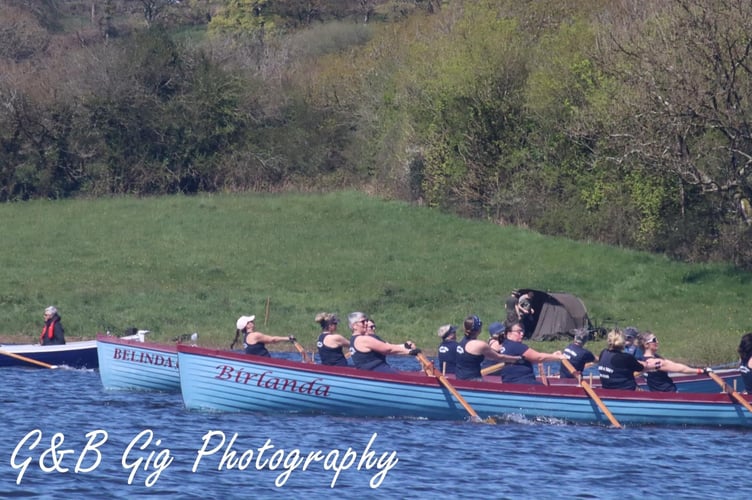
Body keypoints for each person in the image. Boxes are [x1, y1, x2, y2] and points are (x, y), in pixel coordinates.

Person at [455, 315, 522, 381]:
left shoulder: (460, 342)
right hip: (473, 380)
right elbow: (499, 357)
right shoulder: (480, 345)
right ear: (479, 329)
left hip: (459, 378)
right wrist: (517, 359)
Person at [639, 331, 710, 392]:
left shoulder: (644, 360)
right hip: (669, 394)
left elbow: (673, 364)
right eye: (654, 340)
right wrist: (701, 371)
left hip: (657, 396)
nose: (657, 342)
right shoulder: (654, 361)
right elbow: (680, 369)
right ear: (646, 345)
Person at [499, 320, 565, 384]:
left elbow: (534, 358)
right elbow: (538, 357)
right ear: (509, 333)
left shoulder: (505, 345)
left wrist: (552, 355)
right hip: (522, 382)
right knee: (547, 391)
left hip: (511, 382)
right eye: (519, 332)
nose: (522, 334)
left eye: (522, 331)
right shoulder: (516, 346)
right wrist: (558, 357)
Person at [348, 311, 417, 373]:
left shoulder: (353, 339)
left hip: (370, 372)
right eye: (363, 321)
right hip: (377, 371)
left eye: (366, 321)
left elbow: (388, 346)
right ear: (354, 326)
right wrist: (409, 352)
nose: (366, 323)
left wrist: (404, 346)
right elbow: (388, 349)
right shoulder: (363, 339)